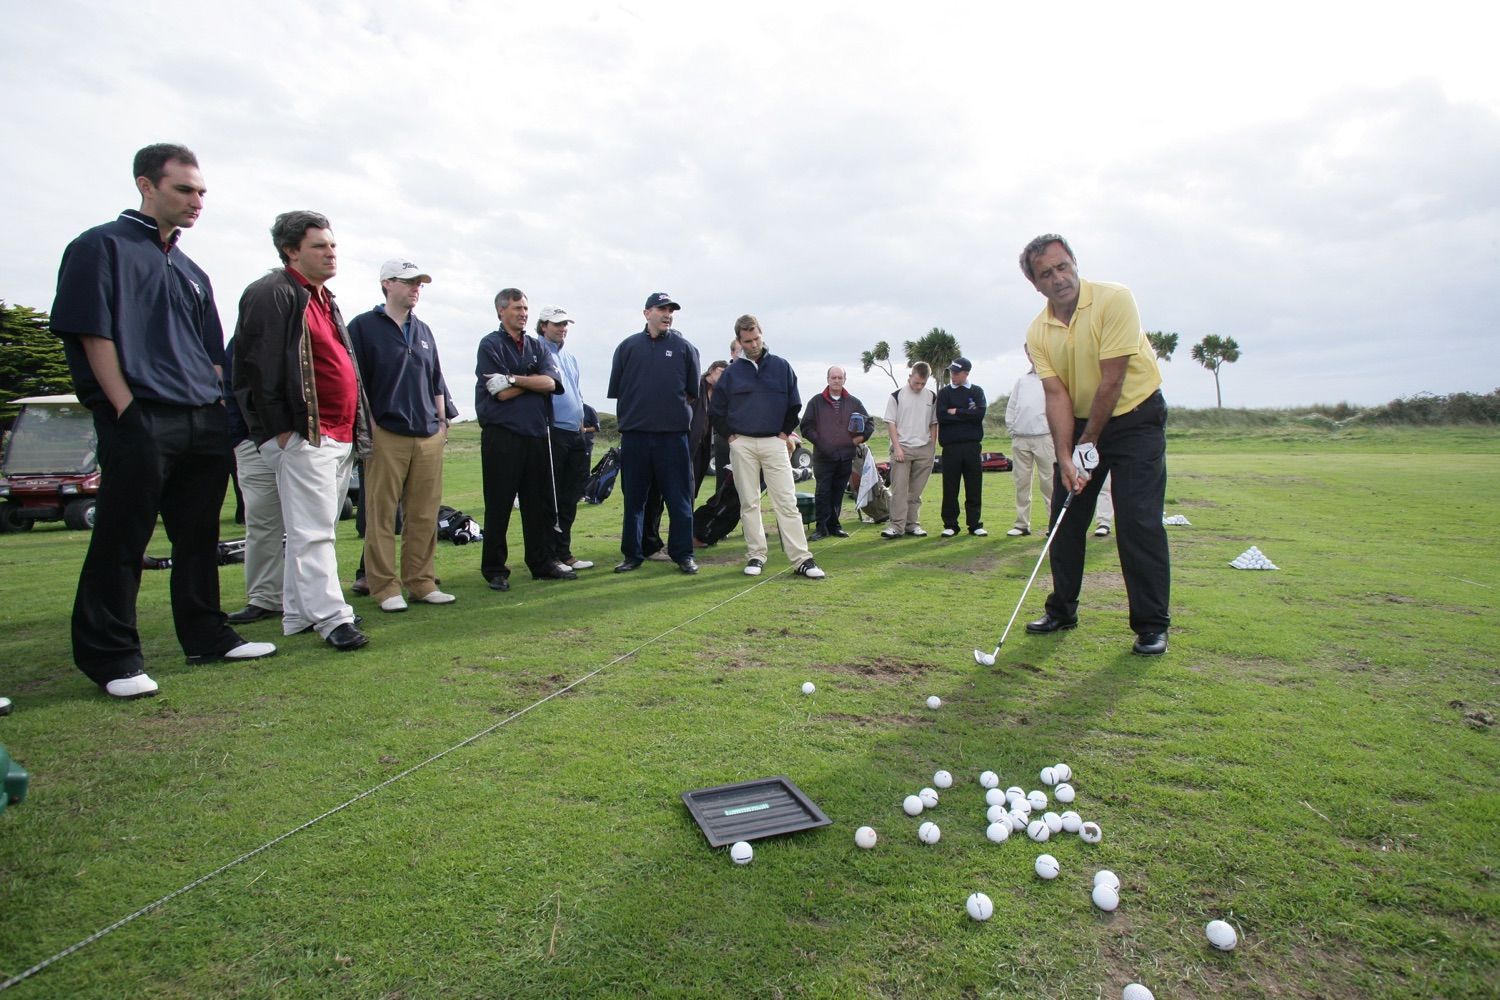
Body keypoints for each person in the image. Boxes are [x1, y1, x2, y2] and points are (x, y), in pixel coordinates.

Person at [51, 143, 275, 698]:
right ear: (146, 185)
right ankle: (112, 658)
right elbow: (91, 332)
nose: (197, 201)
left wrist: (218, 407)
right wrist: (124, 407)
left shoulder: (193, 269)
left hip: (203, 417)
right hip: (142, 416)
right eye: (185, 189)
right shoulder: (99, 246)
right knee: (123, 537)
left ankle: (205, 636)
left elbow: (211, 352)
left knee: (198, 538)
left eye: (202, 192)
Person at [1018, 234, 1170, 656]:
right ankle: (1062, 609)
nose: (1059, 278)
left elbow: (1113, 378)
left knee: (1138, 521)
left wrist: (1087, 444)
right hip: (1082, 421)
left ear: (1074, 262)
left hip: (1136, 417)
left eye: (1063, 266)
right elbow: (1057, 396)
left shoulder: (1115, 299)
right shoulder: (1038, 331)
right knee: (1065, 520)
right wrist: (1066, 457)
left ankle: (1152, 625)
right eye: (1046, 273)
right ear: (1035, 284)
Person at [234, 210, 372, 652]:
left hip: (338, 432)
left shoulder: (324, 297)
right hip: (303, 434)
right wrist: (277, 431)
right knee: (314, 532)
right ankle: (333, 617)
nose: (331, 253)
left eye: (333, 245)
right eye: (319, 246)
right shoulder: (271, 293)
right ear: (292, 251)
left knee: (314, 527)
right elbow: (256, 365)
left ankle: (297, 614)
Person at [347, 259, 455, 613]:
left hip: (427, 434)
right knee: (380, 514)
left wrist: (441, 423)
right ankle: (383, 586)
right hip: (386, 432)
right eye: (409, 282)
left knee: (424, 514)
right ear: (387, 284)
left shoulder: (423, 329)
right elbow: (354, 383)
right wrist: (370, 427)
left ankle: (421, 582)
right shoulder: (363, 326)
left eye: (419, 283)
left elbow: (435, 379)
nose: (415, 288)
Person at [710, 317, 825, 579]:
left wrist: (783, 434)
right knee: (749, 502)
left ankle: (802, 559)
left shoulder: (781, 367)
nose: (753, 345)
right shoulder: (731, 373)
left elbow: (794, 406)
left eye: (756, 339)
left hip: (775, 441)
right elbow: (717, 411)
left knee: (785, 500)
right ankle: (756, 555)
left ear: (762, 335)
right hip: (742, 443)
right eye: (747, 341)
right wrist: (731, 438)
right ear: (739, 341)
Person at [475, 289, 572, 591]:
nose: (523, 313)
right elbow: (498, 392)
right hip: (502, 436)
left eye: (526, 308)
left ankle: (540, 563)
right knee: (499, 503)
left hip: (536, 434)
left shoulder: (535, 346)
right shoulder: (490, 344)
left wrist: (515, 378)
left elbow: (552, 383)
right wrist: (532, 381)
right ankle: (494, 569)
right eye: (517, 308)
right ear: (501, 311)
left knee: (537, 505)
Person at [607, 292, 701, 574]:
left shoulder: (686, 348)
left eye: (671, 310)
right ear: (647, 313)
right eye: (662, 309)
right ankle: (632, 554)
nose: (667, 314)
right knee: (634, 499)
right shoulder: (627, 347)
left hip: (672, 437)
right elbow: (619, 391)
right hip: (635, 437)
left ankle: (683, 554)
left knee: (679, 498)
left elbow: (691, 393)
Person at [223, 336, 284, 623]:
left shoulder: (309, 329)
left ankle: (306, 596)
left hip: (302, 441)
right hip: (253, 440)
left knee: (310, 525)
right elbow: (230, 388)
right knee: (261, 521)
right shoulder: (242, 342)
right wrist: (240, 438)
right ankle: (265, 598)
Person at [537, 305, 594, 571]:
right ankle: (550, 555)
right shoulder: (536, 351)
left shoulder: (569, 357)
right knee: (552, 496)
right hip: (552, 431)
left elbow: (577, 392)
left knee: (571, 495)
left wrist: (582, 423)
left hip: (575, 432)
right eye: (557, 324)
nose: (562, 329)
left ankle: (564, 551)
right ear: (543, 326)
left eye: (564, 324)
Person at [799, 366, 869, 540]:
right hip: (823, 457)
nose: (836, 380)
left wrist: (856, 440)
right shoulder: (816, 402)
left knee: (838, 492)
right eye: (833, 377)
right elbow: (806, 427)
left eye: (839, 377)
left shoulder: (854, 402)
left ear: (844, 379)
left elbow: (870, 424)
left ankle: (834, 525)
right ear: (828, 379)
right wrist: (822, 442)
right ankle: (821, 528)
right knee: (823, 492)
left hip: (845, 457)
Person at [880, 362, 938, 539]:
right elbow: (891, 423)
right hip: (902, 448)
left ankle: (912, 524)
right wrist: (896, 447)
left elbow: (933, 423)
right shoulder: (896, 396)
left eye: (923, 383)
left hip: (924, 449)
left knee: (916, 491)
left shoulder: (932, 397)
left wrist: (932, 448)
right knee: (899, 490)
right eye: (916, 383)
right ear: (910, 377)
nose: (919, 386)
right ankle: (896, 526)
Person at [1005, 346, 1055, 537]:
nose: (1030, 356)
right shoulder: (1022, 381)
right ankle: (1021, 524)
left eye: (1033, 351)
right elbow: (1012, 406)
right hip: (1021, 438)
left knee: (1049, 483)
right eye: (1028, 353)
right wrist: (1013, 428)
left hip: (1044, 437)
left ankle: (1053, 525)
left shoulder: (1052, 376)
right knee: (1022, 482)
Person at [936, 357, 988, 537]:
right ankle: (950, 524)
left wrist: (956, 411)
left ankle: (975, 524)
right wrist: (967, 414)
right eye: (951, 372)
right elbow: (942, 417)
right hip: (951, 447)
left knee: (973, 485)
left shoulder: (976, 391)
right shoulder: (944, 394)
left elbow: (978, 415)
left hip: (972, 446)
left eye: (956, 373)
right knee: (950, 487)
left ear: (966, 373)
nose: (953, 376)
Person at [691, 360, 729, 497]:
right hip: (687, 442)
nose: (722, 377)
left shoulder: (718, 395)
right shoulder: (695, 385)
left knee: (693, 485)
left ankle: (689, 516)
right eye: (721, 372)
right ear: (712, 369)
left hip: (703, 445)